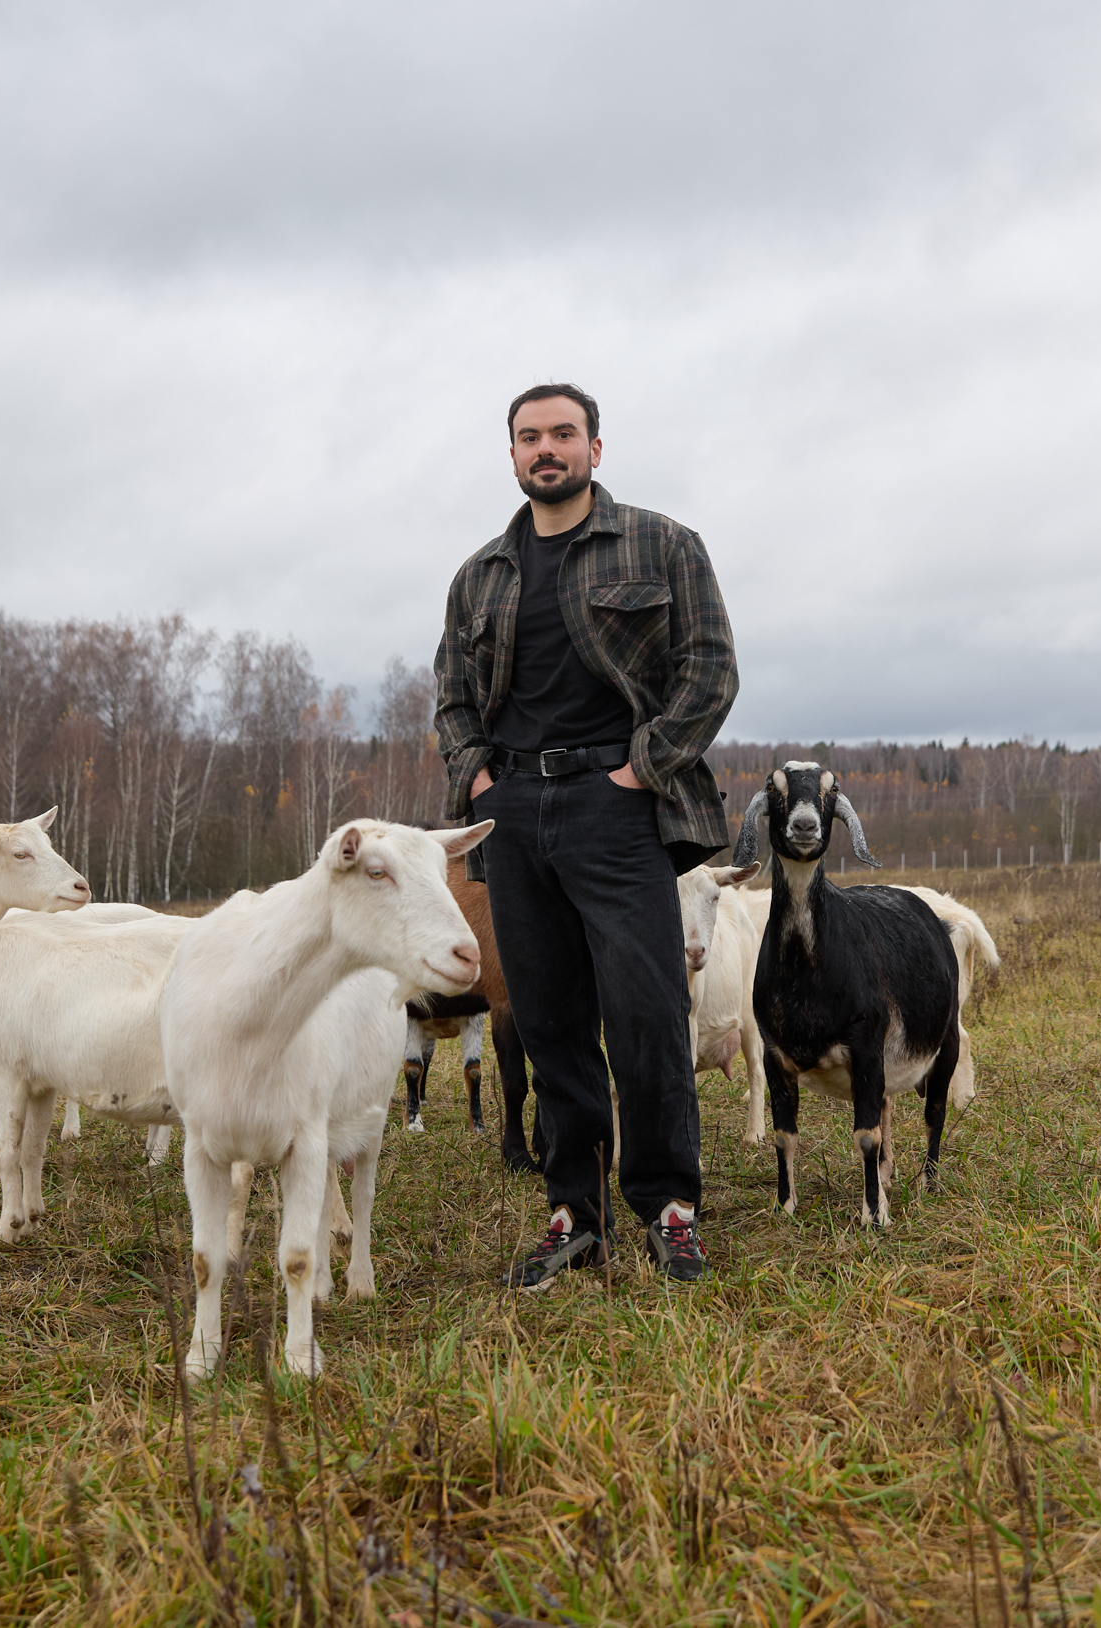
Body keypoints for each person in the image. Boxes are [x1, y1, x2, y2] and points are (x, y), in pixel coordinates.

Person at [434, 383, 739, 1288]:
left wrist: (641, 770)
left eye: (563, 433)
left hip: (619, 804)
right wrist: (479, 778)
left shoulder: (662, 544)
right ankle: (576, 1213)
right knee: (548, 1022)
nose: (547, 449)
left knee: (647, 1013)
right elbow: (452, 697)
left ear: (595, 449)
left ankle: (669, 1208)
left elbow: (711, 671)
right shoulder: (480, 576)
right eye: (530, 437)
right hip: (514, 812)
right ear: (513, 455)